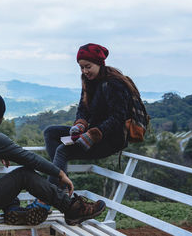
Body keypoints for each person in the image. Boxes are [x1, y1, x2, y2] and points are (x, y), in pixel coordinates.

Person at [0, 85, 106, 226]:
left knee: (7, 182)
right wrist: (59, 173)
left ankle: (13, 210)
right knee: (24, 174)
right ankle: (72, 208)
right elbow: (30, 159)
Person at [43, 43, 140, 189]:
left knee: (62, 151)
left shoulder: (114, 84)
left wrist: (93, 134)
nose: (84, 71)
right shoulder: (88, 81)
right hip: (92, 132)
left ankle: (52, 196)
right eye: (81, 67)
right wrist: (80, 124)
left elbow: (118, 117)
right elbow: (83, 108)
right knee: (50, 132)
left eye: (88, 66)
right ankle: (62, 185)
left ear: (99, 63)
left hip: (111, 139)